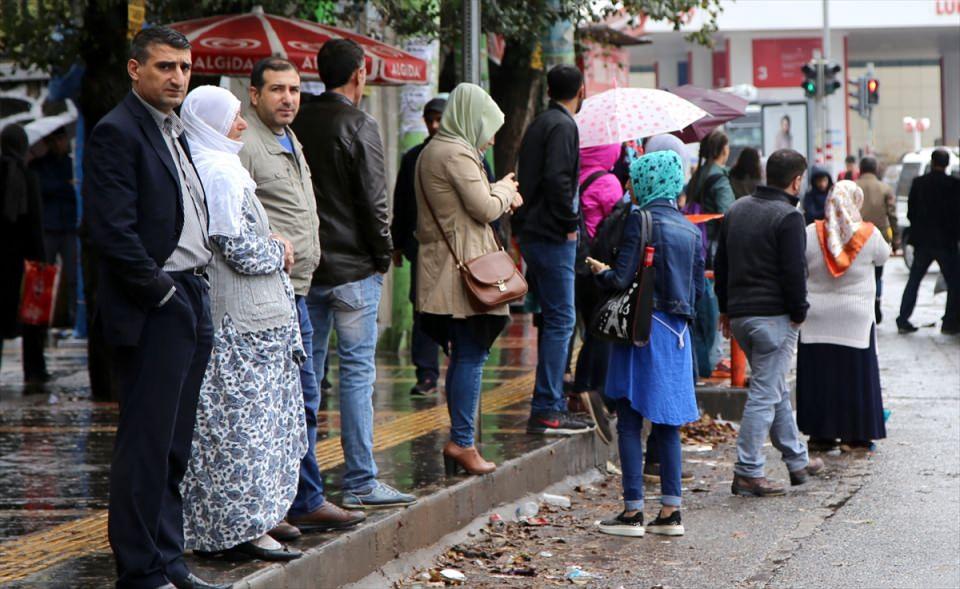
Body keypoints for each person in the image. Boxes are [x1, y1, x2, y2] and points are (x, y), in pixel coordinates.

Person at [82, 27, 226, 589]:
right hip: (156, 302)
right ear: (134, 69)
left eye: (185, 68)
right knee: (146, 444)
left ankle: (168, 562)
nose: (178, 78)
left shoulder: (175, 130)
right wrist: (163, 294)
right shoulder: (117, 132)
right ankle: (140, 570)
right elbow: (111, 233)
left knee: (174, 445)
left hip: (190, 292)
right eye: (165, 67)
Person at [178, 86, 307, 562]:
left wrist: (272, 241)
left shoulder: (223, 167)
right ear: (211, 123)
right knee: (241, 432)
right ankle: (239, 530)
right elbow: (232, 245)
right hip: (243, 328)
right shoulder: (217, 172)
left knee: (257, 427)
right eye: (233, 118)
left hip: (258, 323)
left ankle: (248, 523)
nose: (241, 125)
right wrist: (279, 249)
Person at [238, 57, 365, 534]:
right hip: (269, 294)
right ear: (254, 94)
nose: (288, 98)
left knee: (303, 399)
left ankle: (303, 497)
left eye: (293, 89)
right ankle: (282, 504)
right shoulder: (245, 142)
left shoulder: (288, 136)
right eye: (276, 90)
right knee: (284, 402)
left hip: (298, 290)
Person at [291, 39, 416, 508]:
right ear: (360, 75)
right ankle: (361, 481)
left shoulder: (297, 120)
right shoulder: (359, 123)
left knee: (308, 377)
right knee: (357, 375)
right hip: (354, 272)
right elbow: (373, 201)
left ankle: (303, 486)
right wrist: (383, 256)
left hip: (308, 271)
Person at [587, 150, 702, 537]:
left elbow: (621, 280)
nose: (632, 186)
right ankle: (671, 512)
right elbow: (697, 291)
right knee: (667, 424)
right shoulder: (691, 230)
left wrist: (601, 272)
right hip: (678, 337)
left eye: (636, 179)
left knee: (630, 418)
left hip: (642, 331)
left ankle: (633, 511)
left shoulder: (642, 220)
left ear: (649, 182)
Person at [414, 83, 523, 475]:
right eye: (488, 128)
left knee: (465, 355)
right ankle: (462, 442)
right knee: (471, 356)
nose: (491, 139)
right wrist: (506, 190)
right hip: (460, 271)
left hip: (449, 268)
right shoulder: (455, 153)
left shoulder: (439, 149)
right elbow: (485, 208)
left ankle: (462, 442)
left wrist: (498, 191)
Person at [715, 149, 824, 497]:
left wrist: (725, 309)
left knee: (772, 386)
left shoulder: (737, 208)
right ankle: (748, 471)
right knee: (764, 393)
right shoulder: (788, 216)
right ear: (796, 180)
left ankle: (796, 459)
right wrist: (799, 311)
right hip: (774, 318)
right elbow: (794, 271)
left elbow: (722, 264)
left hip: (742, 317)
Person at [514, 64, 593, 436]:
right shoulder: (563, 126)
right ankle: (547, 406)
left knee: (554, 319)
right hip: (551, 235)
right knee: (562, 320)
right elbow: (558, 180)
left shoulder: (540, 123)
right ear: (581, 90)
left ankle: (548, 402)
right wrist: (568, 225)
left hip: (536, 232)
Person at [797, 180, 890, 453]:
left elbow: (799, 261)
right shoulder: (869, 235)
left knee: (820, 376)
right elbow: (883, 258)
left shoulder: (811, 232)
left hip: (816, 318)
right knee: (855, 377)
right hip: (856, 319)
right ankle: (856, 436)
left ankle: (821, 435)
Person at [391, 96, 447, 396]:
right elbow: (402, 203)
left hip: (456, 252)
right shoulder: (413, 157)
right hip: (422, 250)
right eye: (430, 119)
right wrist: (397, 244)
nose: (435, 125)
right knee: (423, 309)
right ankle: (426, 373)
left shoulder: (464, 156)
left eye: (440, 118)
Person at [571, 143, 622, 443]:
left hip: (578, 265)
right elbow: (620, 220)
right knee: (602, 331)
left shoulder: (577, 178)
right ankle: (596, 391)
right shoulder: (607, 181)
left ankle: (580, 389)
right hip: (598, 267)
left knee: (590, 330)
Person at [0, 124, 47, 385]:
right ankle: (34, 370)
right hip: (24, 262)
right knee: (31, 317)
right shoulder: (29, 178)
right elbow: (35, 225)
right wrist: (41, 261)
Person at [685, 130, 734, 379]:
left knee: (703, 300)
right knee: (714, 302)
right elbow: (729, 213)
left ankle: (705, 358)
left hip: (698, 242)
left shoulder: (697, 176)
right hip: (714, 245)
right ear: (722, 151)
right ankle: (713, 359)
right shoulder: (719, 178)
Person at [896, 149, 960, 335]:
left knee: (914, 281)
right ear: (947, 164)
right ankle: (950, 322)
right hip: (946, 243)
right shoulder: (954, 185)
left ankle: (903, 318)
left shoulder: (918, 183)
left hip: (922, 242)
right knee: (954, 284)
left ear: (932, 162)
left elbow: (910, 213)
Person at [30, 127, 78, 328]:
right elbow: (44, 189)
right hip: (49, 227)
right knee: (42, 273)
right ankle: (38, 318)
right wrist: (65, 186)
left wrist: (64, 187)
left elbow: (74, 189)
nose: (63, 143)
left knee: (74, 275)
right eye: (59, 139)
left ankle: (75, 318)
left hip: (68, 227)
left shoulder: (70, 164)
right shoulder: (39, 166)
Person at [856, 156, 897, 324]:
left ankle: (861, 305)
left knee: (858, 274)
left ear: (860, 168)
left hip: (855, 238)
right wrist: (896, 240)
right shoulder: (884, 188)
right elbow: (892, 215)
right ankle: (876, 302)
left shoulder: (853, 186)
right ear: (875, 170)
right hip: (878, 237)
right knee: (878, 275)